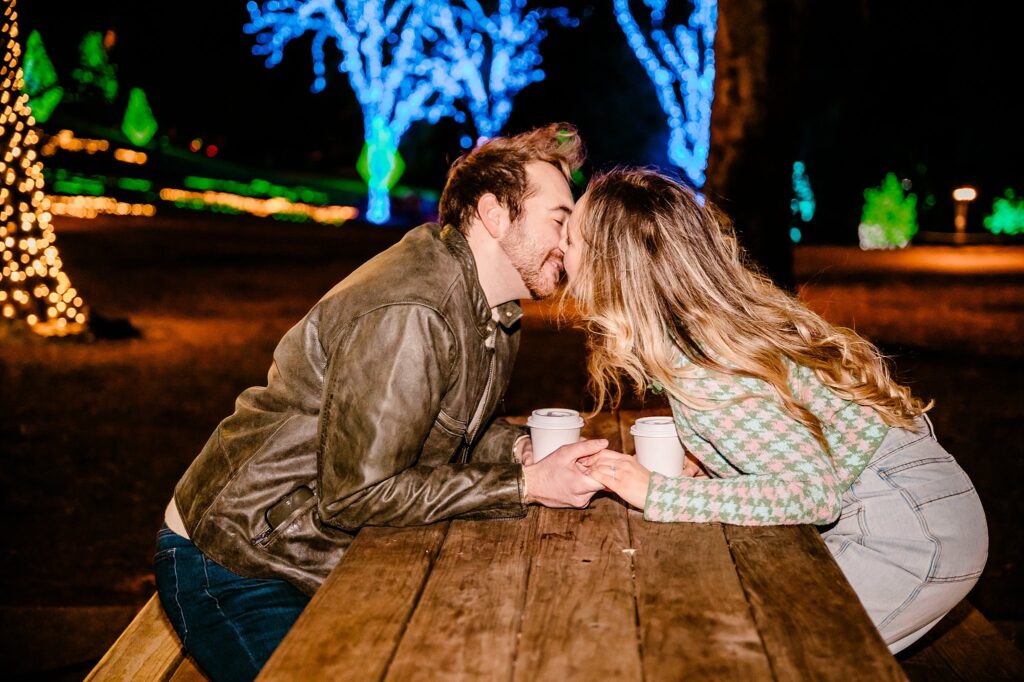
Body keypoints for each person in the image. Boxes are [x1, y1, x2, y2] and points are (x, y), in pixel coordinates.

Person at [154, 124, 607, 682]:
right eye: (558, 220)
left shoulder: (494, 310)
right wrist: (528, 486)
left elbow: (456, 431)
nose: (568, 242)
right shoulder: (415, 309)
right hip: (239, 558)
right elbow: (358, 494)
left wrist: (520, 450)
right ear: (494, 214)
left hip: (326, 552)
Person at [561, 168, 988, 654]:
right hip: (919, 498)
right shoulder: (709, 336)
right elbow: (786, 424)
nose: (560, 250)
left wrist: (659, 493)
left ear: (611, 264)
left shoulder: (705, 368)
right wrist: (717, 457)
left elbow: (812, 493)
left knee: (760, 653)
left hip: (905, 528)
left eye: (571, 238)